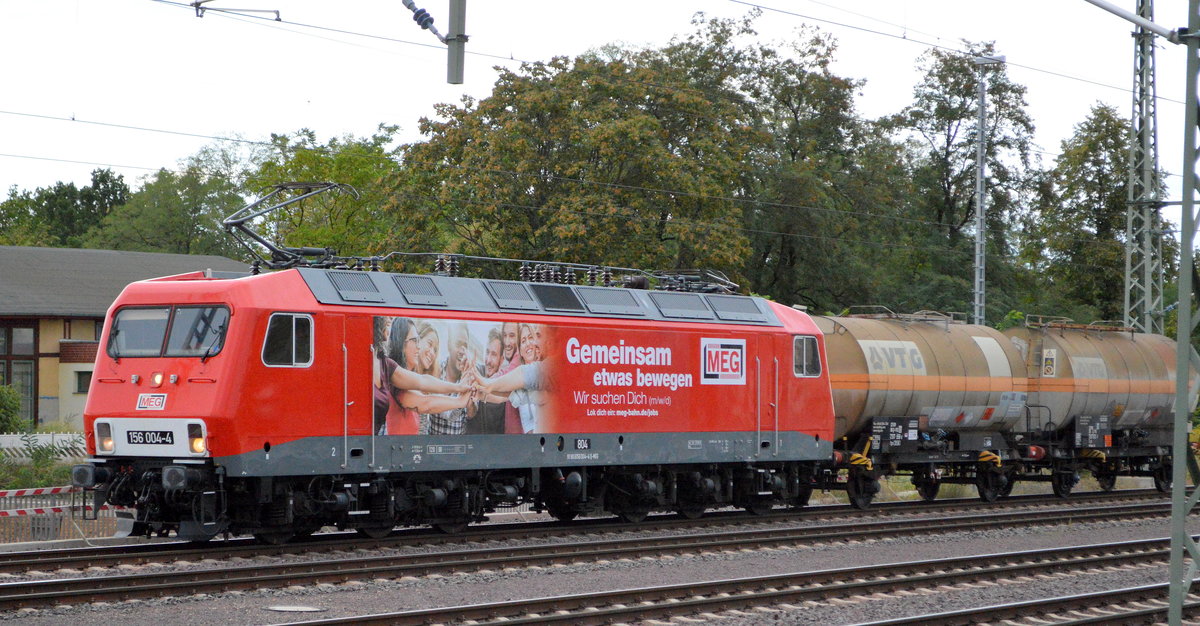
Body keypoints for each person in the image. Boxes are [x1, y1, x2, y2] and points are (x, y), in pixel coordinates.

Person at [381, 317, 476, 435]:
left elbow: (425, 383)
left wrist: (460, 391)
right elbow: (426, 402)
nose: (418, 346)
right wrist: (459, 394)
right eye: (415, 340)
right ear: (402, 342)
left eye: (435, 349)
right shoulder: (395, 378)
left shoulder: (413, 377)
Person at [426, 323, 479, 435]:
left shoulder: (470, 376)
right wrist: (460, 395)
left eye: (465, 345)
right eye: (458, 344)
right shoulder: (436, 370)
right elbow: (444, 413)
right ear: (449, 345)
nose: (462, 350)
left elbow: (471, 413)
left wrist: (470, 399)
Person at [467, 326, 507, 434]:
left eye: (494, 354)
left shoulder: (505, 385)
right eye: (487, 352)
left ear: (502, 359)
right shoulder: (478, 372)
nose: (488, 360)